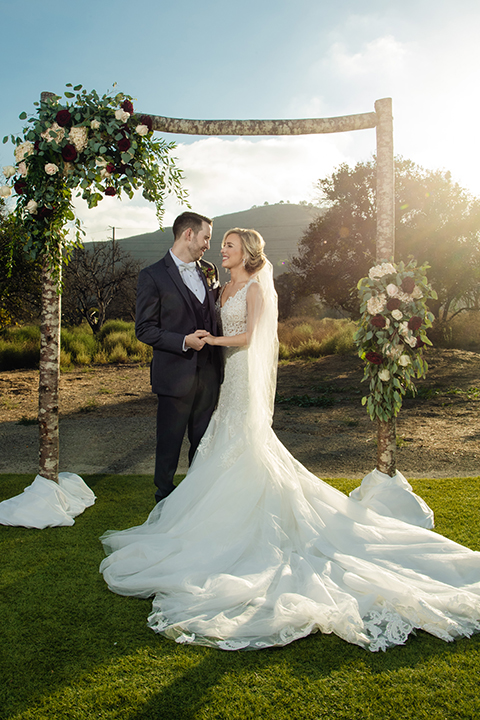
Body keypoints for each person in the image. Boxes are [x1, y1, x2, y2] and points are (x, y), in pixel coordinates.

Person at [101, 228, 480, 653]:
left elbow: (251, 338)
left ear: (247, 252)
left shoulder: (256, 289)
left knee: (245, 449)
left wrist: (211, 340)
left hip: (241, 373)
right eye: (218, 243)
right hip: (225, 381)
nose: (220, 249)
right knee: (222, 449)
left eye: (227, 244)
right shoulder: (222, 285)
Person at [135, 211, 223, 503]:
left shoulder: (209, 270)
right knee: (169, 445)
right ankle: (164, 499)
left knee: (203, 443)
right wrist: (183, 341)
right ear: (188, 234)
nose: (208, 245)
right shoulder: (152, 276)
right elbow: (144, 329)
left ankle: (198, 501)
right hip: (174, 376)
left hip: (209, 374)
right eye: (206, 237)